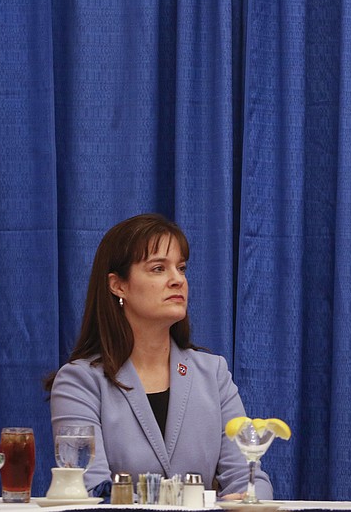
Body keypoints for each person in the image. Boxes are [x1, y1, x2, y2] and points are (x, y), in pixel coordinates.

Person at [45, 214, 272, 500]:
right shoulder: (79, 381)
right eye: (158, 269)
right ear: (118, 285)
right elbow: (87, 490)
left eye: (181, 268)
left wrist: (249, 499)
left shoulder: (213, 373)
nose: (177, 280)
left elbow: (249, 477)